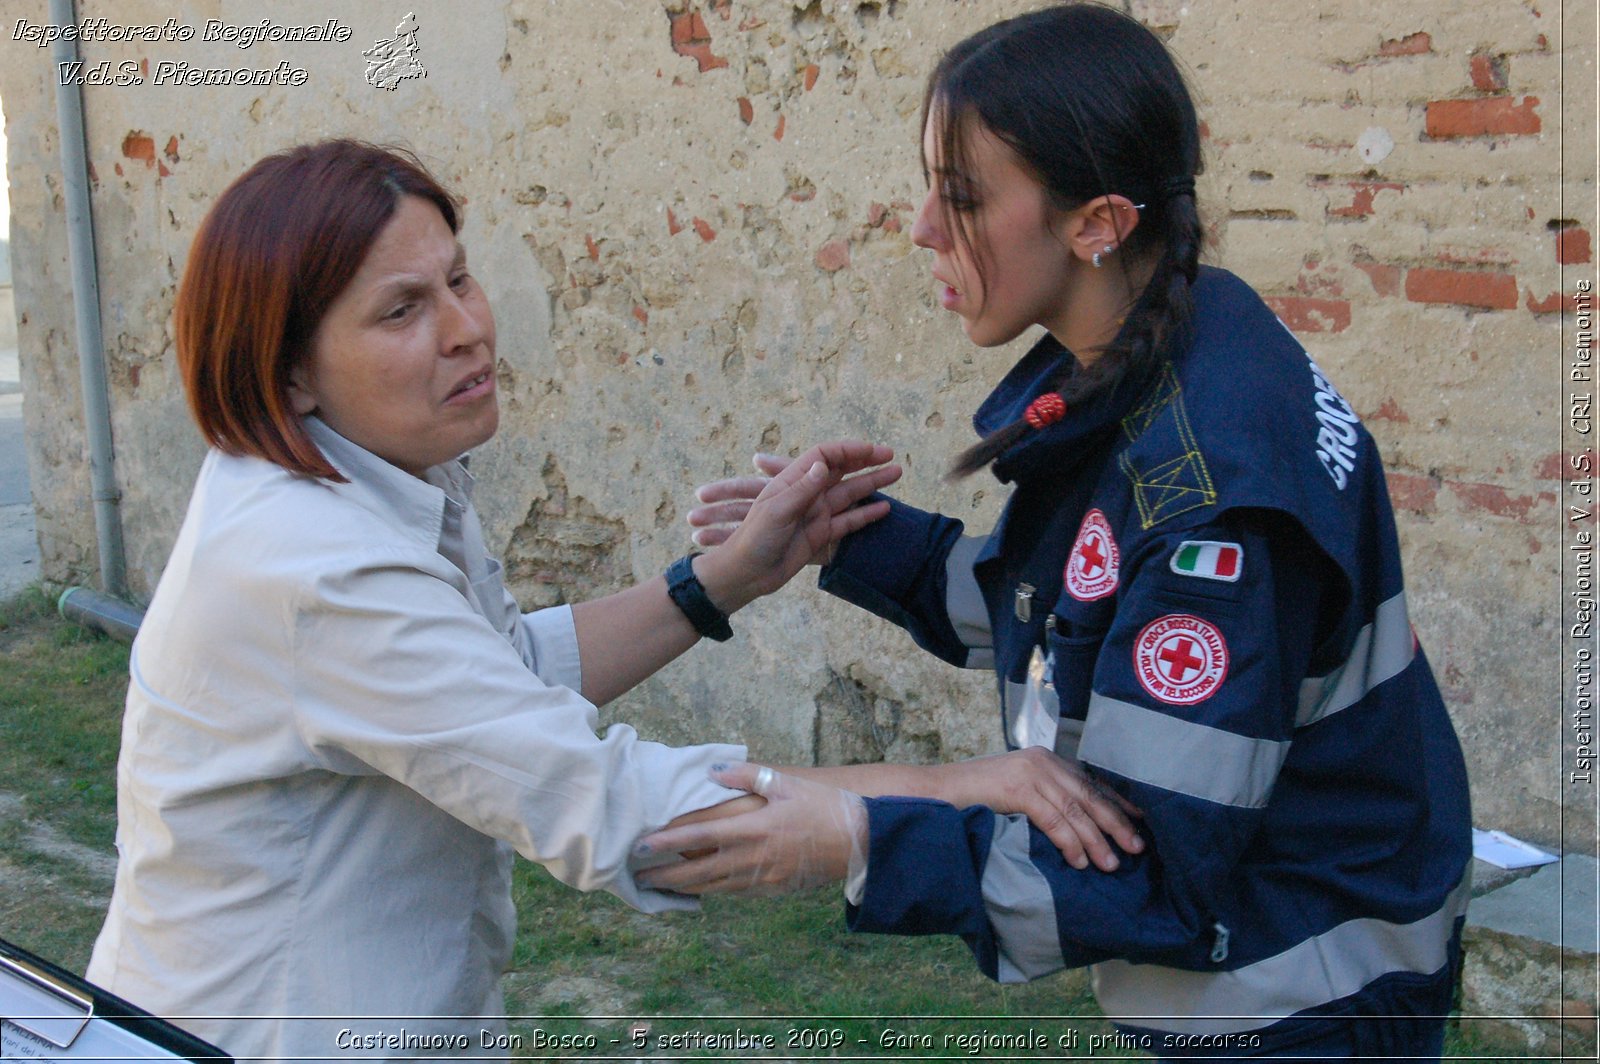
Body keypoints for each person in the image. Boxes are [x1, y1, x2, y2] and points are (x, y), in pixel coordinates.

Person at [84, 139, 1136, 1062]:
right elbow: (611, 808)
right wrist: (962, 783)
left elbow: (489, 677)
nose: (466, 328)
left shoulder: (365, 474)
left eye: (458, 278)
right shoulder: (316, 567)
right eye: (402, 309)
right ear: (292, 373)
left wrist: (723, 578)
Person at [637, 4, 1474, 1059]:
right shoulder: (1179, 341)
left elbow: (1146, 871)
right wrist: (847, 537)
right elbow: (1067, 610)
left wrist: (855, 837)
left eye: (963, 198)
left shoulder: (1209, 508)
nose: (921, 230)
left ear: (1096, 223)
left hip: (1298, 997)